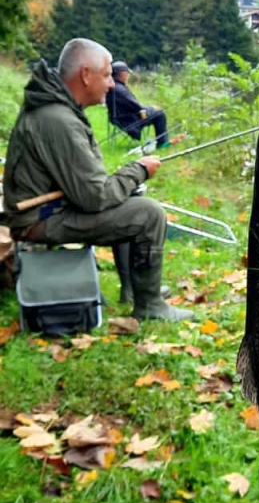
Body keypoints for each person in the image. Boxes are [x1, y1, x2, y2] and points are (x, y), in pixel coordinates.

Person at [4, 38, 192, 323]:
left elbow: (90, 187)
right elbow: (96, 198)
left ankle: (134, 291)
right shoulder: (57, 119)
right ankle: (151, 305)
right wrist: (138, 170)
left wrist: (127, 179)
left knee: (128, 196)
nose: (112, 84)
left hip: (47, 210)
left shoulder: (57, 109)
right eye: (106, 75)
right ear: (85, 75)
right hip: (36, 221)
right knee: (148, 213)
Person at [106, 61, 171, 149]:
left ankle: (161, 141)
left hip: (117, 118)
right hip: (130, 120)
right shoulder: (120, 89)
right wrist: (152, 108)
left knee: (155, 111)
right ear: (122, 73)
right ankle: (162, 143)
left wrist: (149, 108)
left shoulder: (112, 86)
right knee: (160, 113)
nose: (128, 75)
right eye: (127, 73)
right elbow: (137, 107)